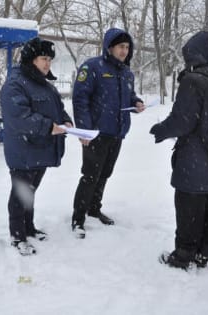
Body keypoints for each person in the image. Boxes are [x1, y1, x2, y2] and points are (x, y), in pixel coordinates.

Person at [150, 31, 208, 269]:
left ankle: (183, 256)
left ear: (194, 54)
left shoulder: (194, 81)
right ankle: (206, 251)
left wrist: (161, 130)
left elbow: (183, 121)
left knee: (189, 209)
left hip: (196, 162)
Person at [0, 37, 73, 255]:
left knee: (30, 193)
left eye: (49, 59)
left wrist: (66, 120)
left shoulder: (45, 84)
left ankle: (29, 228)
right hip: (23, 149)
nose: (47, 64)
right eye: (43, 59)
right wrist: (49, 127)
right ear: (31, 59)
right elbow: (18, 117)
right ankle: (17, 235)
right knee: (20, 194)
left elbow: (58, 109)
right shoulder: (15, 83)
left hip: (41, 148)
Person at [71, 28, 145, 238]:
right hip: (96, 133)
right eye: (121, 46)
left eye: (127, 47)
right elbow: (80, 99)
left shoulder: (126, 72)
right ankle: (78, 218)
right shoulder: (92, 67)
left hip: (117, 132)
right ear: (110, 47)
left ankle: (94, 208)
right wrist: (84, 130)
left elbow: (129, 96)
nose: (124, 51)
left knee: (105, 174)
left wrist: (136, 102)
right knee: (90, 175)